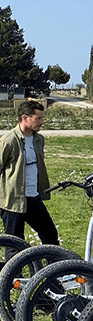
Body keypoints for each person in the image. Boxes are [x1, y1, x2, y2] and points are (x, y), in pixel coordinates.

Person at [0, 100, 59, 245]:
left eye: (42, 118)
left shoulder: (39, 139)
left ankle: (54, 268)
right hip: (13, 201)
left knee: (50, 234)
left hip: (33, 198)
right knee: (15, 243)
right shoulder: (9, 141)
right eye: (38, 118)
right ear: (25, 118)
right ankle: (13, 268)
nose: (42, 122)